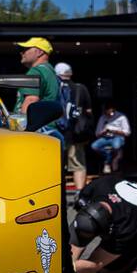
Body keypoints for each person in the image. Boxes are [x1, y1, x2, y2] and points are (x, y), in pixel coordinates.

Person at [53, 61, 93, 193]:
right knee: (78, 164)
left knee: (57, 165)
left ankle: (57, 192)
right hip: (76, 133)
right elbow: (88, 112)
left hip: (57, 132)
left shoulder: (53, 90)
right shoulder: (80, 88)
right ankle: (79, 192)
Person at [13, 38, 59, 115]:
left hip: (37, 125)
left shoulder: (35, 71)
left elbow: (31, 101)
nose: (22, 52)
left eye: (26, 49)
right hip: (48, 123)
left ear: (39, 52)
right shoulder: (50, 71)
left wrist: (22, 125)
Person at [91, 102, 130, 173]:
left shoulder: (121, 117)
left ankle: (108, 162)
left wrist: (114, 131)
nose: (108, 113)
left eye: (110, 110)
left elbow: (127, 132)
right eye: (107, 111)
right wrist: (103, 132)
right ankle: (108, 156)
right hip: (106, 138)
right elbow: (97, 134)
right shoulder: (102, 118)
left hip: (117, 137)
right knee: (94, 146)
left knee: (116, 146)